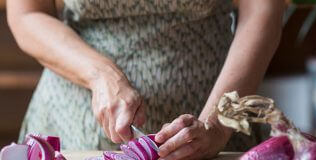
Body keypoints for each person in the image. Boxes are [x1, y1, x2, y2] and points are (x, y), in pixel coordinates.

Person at [7, 0, 285, 159]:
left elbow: (264, 11)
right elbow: (26, 14)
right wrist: (100, 75)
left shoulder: (217, 127)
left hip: (215, 119)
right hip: (73, 127)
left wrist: (216, 125)